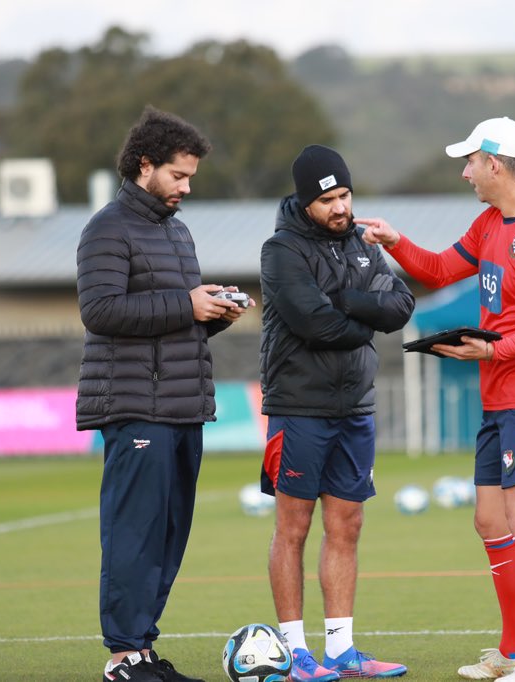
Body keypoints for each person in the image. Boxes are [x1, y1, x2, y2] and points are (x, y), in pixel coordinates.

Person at [360, 117, 515, 682]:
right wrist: (395, 243)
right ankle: (512, 653)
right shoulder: (489, 222)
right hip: (500, 397)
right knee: (490, 521)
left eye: (470, 163)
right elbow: (437, 268)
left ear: (496, 165)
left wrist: (491, 352)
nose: (465, 173)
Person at [76, 106, 253, 682]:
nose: (186, 186)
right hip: (135, 408)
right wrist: (186, 304)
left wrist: (213, 312)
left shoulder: (176, 231)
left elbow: (174, 319)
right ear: (144, 166)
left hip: (181, 405)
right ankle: (123, 657)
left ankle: (145, 651)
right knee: (135, 534)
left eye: (191, 177)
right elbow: (99, 311)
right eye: (178, 175)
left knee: (169, 538)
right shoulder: (107, 228)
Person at [259, 144, 415, 681]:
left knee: (346, 525)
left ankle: (341, 651)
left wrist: (344, 302)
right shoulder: (280, 251)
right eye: (327, 199)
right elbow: (313, 323)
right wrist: (362, 309)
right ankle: (291, 653)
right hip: (299, 408)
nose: (340, 207)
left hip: (356, 408)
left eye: (344, 194)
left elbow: (401, 305)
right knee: (293, 528)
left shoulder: (363, 244)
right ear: (305, 202)